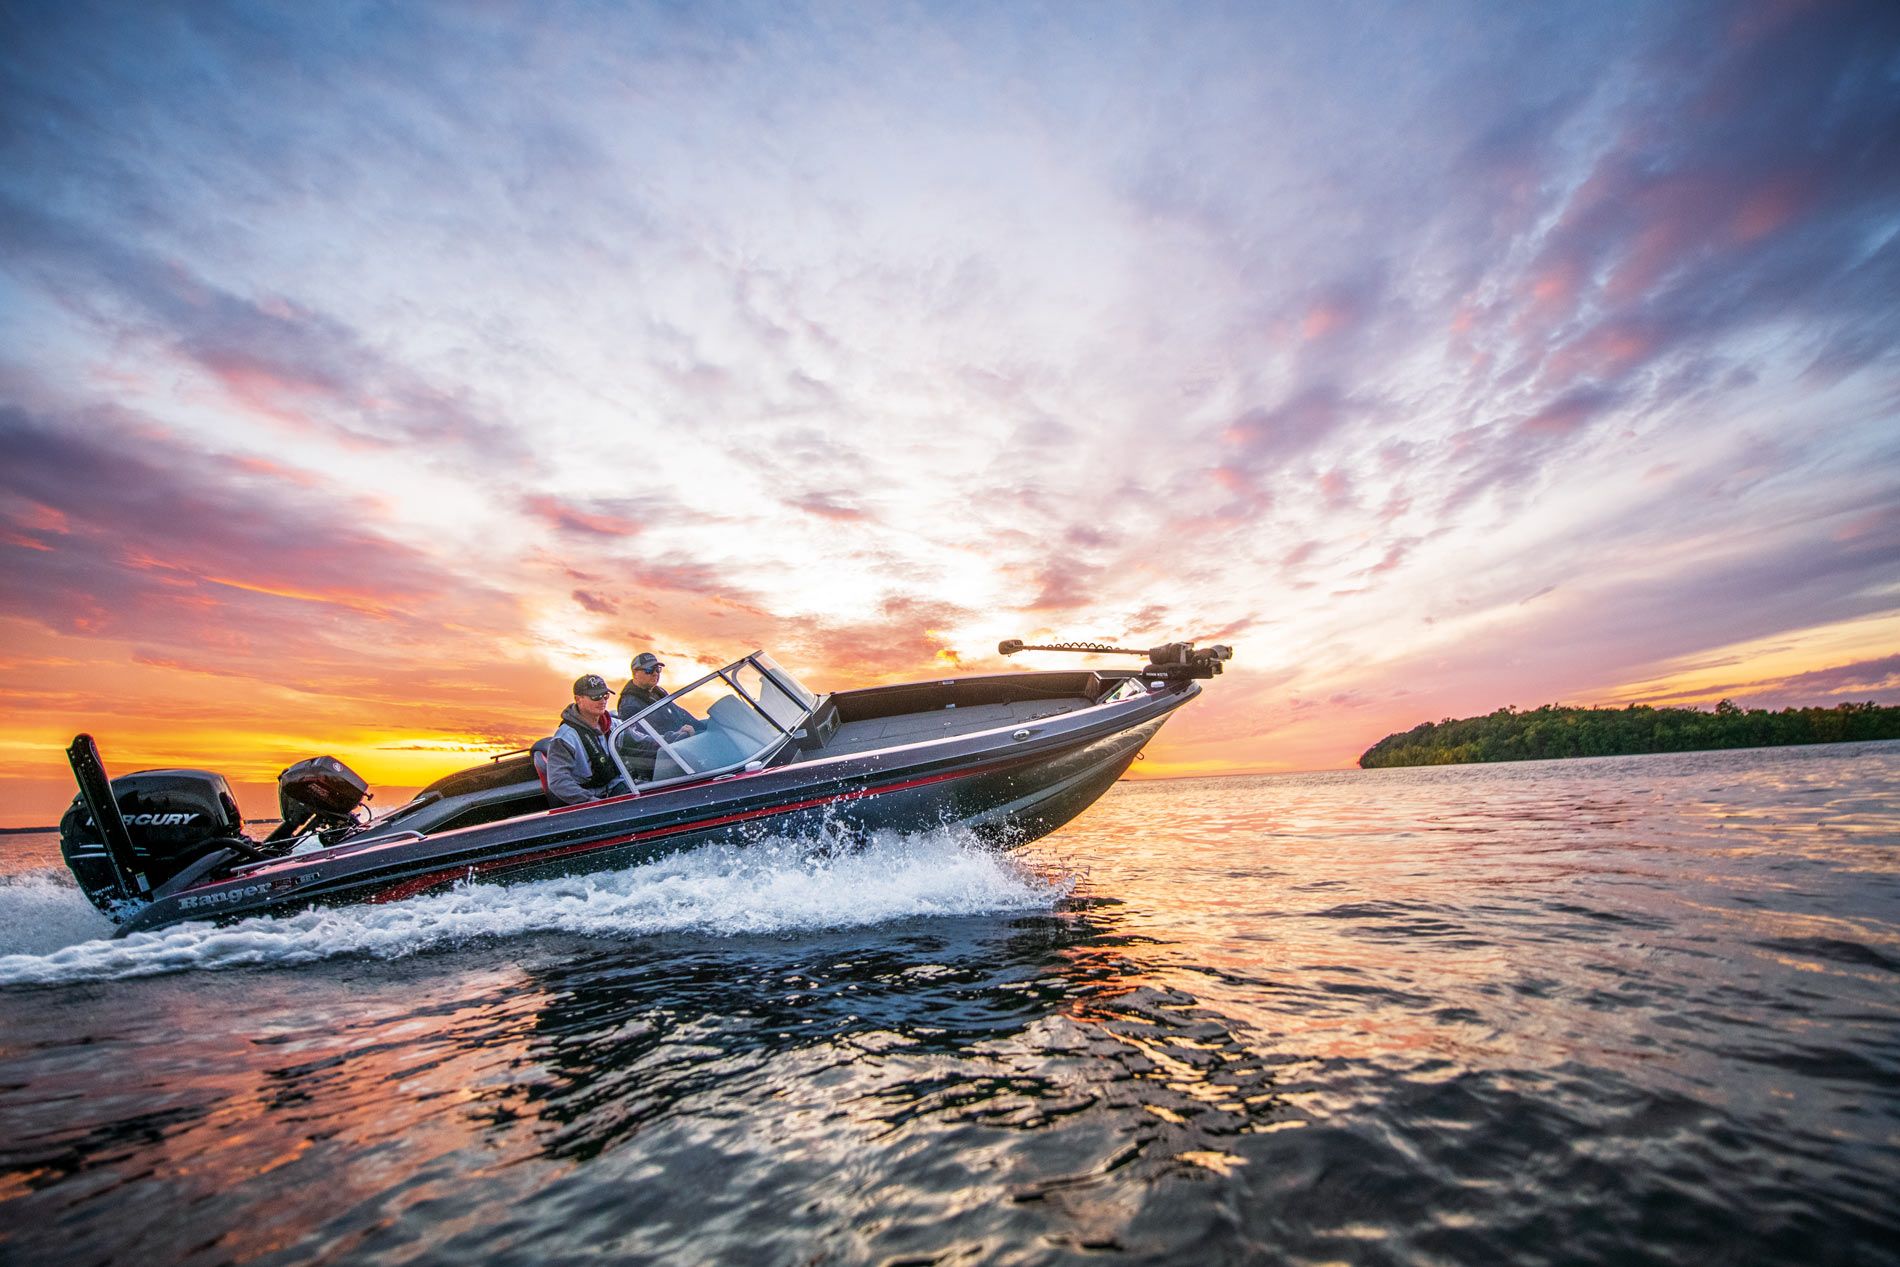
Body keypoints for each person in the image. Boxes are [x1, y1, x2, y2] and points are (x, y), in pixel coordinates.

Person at [545, 674, 631, 806]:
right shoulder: (564, 738)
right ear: (578, 699)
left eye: (605, 696)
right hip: (591, 801)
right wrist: (591, 802)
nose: (602, 701)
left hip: (618, 787)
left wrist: (670, 740)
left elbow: (642, 743)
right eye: (595, 696)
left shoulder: (614, 725)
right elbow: (558, 781)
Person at [616, 651, 698, 738]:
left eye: (657, 669)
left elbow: (679, 714)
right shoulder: (629, 705)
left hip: (679, 743)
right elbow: (640, 741)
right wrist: (675, 736)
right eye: (649, 670)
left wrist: (705, 727)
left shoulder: (659, 692)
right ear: (635, 673)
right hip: (667, 749)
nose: (655, 674)